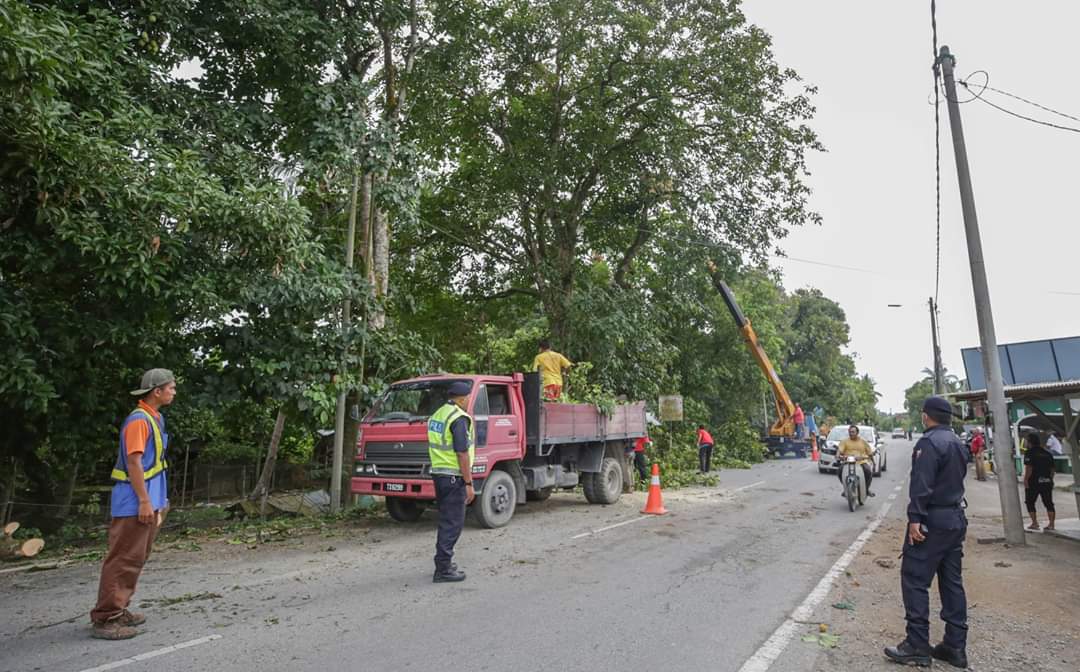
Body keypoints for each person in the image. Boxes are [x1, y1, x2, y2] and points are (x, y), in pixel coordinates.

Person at [90, 369, 176, 640]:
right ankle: (106, 618)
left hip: (148, 501)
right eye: (171, 387)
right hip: (134, 503)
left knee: (135, 558)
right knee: (123, 559)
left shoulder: (154, 418)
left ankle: (119, 609)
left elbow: (153, 464)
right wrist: (144, 501)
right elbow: (135, 463)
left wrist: (159, 501)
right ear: (157, 391)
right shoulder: (139, 421)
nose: (174, 392)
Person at [885, 396, 969, 669]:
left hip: (932, 520)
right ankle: (955, 646)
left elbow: (922, 484)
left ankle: (917, 645)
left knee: (914, 579)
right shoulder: (958, 442)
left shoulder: (929, 443)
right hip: (955, 517)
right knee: (951, 581)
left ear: (926, 416)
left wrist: (915, 519)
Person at [427, 380, 476, 583]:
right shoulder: (458, 418)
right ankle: (443, 569)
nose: (468, 402)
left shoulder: (438, 415)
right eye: (468, 399)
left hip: (439, 474)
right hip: (454, 476)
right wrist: (468, 483)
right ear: (463, 398)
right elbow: (462, 453)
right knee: (452, 523)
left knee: (446, 520)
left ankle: (444, 563)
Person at [1023, 433, 1056, 531]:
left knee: (1030, 502)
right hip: (1046, 481)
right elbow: (1053, 469)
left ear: (1030, 442)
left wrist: (1025, 480)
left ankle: (1034, 523)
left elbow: (1029, 468)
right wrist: (1050, 479)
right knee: (1048, 503)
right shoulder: (1047, 453)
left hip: (1034, 481)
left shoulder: (1029, 453)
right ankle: (1051, 524)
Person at [836, 424, 875, 497]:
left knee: (868, 471)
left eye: (853, 432)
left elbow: (870, 453)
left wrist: (873, 462)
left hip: (861, 462)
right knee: (839, 471)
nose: (851, 433)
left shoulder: (863, 442)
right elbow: (839, 450)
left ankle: (866, 489)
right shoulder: (845, 441)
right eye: (850, 432)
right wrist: (838, 456)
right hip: (848, 462)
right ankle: (846, 488)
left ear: (857, 432)